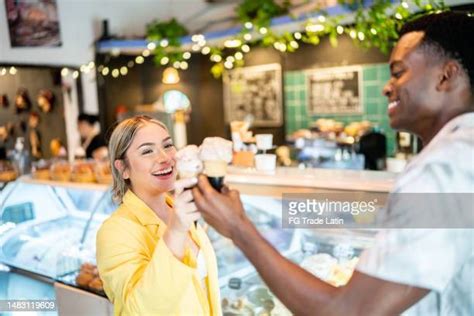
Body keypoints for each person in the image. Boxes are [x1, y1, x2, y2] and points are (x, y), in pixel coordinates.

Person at [193, 11, 474, 315]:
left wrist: (238, 228)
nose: (386, 87)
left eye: (398, 72)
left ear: (446, 76)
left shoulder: (444, 167)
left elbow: (347, 313)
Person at [96, 115, 221, 315]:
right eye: (147, 151)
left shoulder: (178, 208)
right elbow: (142, 309)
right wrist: (177, 230)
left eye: (168, 145)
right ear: (123, 169)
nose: (165, 157)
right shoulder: (114, 232)